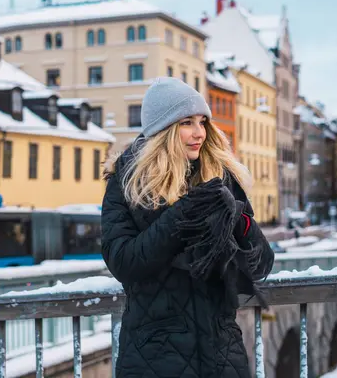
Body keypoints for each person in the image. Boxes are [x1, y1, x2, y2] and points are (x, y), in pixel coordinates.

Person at [101, 77, 275, 377]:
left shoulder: (218, 176)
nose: (199, 133)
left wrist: (237, 216)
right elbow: (123, 262)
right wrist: (183, 213)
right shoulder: (127, 181)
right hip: (154, 356)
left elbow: (261, 264)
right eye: (186, 123)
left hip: (222, 354)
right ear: (163, 130)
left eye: (202, 122)